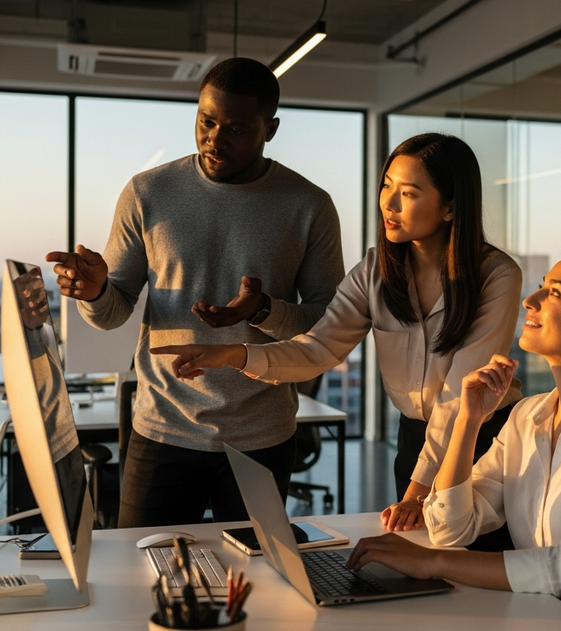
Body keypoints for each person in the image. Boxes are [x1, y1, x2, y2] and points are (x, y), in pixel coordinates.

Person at [150, 133, 524, 533]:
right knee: (425, 569)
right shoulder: (376, 270)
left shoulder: (496, 277)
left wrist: (417, 493)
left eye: (409, 193)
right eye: (386, 186)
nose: (389, 204)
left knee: (475, 571)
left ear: (450, 208)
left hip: (482, 440)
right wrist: (233, 355)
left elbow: (457, 395)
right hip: (415, 439)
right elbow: (319, 348)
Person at [45, 57, 345, 527]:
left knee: (258, 582)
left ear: (271, 128)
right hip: (162, 427)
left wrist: (263, 310)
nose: (215, 139)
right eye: (206, 121)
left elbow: (328, 323)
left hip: (261, 435)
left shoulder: (309, 206)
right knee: (141, 579)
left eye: (238, 129)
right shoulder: (147, 192)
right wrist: (96, 290)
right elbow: (111, 313)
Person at [342, 245, 561, 624]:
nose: (531, 300)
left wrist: (431, 563)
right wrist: (468, 420)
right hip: (547, 607)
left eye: (555, 293)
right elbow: (451, 527)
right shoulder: (528, 416)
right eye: (543, 286)